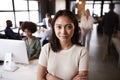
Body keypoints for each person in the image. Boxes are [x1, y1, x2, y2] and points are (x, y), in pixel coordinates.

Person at [37, 10, 89, 80]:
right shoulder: (46, 48)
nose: (63, 32)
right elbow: (39, 78)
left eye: (68, 27)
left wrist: (51, 78)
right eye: (59, 27)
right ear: (54, 28)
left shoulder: (82, 52)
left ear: (75, 28)